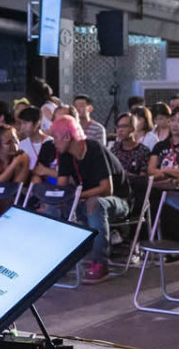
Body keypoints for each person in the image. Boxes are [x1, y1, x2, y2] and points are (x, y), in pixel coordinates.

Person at [46, 115, 123, 283]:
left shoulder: (94, 149)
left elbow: (107, 189)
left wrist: (76, 196)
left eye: (55, 137)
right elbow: (62, 188)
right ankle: (56, 262)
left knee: (95, 204)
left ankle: (100, 264)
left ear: (67, 137)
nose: (53, 142)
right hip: (85, 199)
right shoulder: (65, 154)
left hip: (117, 200)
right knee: (54, 207)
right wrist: (53, 197)